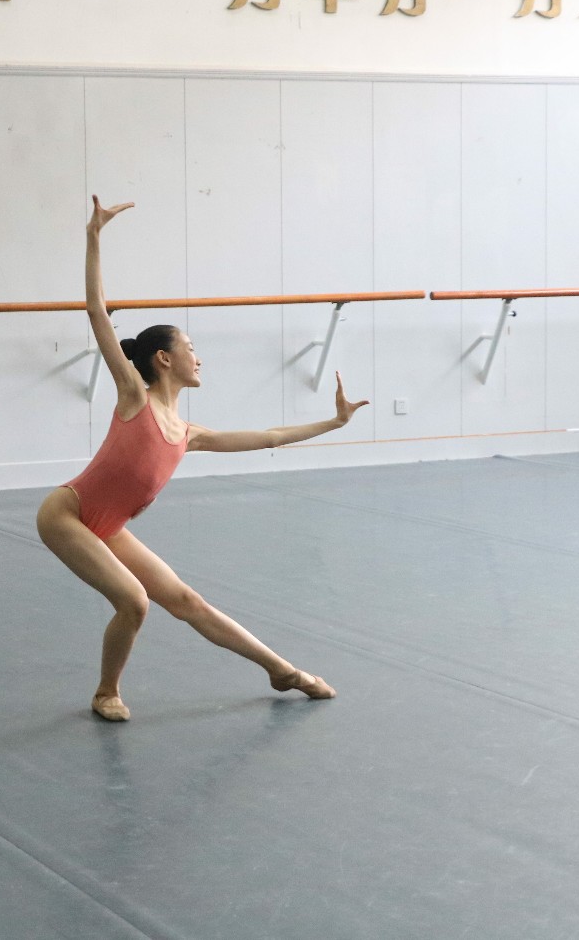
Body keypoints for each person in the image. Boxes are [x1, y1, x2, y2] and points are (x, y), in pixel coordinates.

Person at [36, 196, 370, 722]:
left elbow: (269, 436)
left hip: (108, 525)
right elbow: (97, 312)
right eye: (190, 347)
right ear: (163, 358)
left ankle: (282, 671)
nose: (199, 357)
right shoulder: (134, 397)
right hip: (67, 516)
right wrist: (94, 236)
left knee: (186, 601)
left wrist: (334, 423)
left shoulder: (189, 435)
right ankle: (105, 692)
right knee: (134, 601)